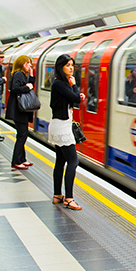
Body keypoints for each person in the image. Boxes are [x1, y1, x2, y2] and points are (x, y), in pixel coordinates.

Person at [48, 54, 86, 210]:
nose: (71, 68)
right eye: (68, 65)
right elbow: (75, 99)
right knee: (73, 161)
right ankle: (69, 198)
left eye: (72, 65)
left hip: (59, 124)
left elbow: (71, 99)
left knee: (60, 161)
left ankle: (58, 195)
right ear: (61, 67)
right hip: (62, 127)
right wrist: (75, 86)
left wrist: (75, 94)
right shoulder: (60, 84)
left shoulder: (60, 84)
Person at [6, 55, 37, 171]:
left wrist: (31, 77)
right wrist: (26, 87)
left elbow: (29, 85)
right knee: (22, 135)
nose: (30, 65)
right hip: (18, 110)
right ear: (23, 64)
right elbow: (14, 88)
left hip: (21, 110)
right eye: (28, 63)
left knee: (23, 134)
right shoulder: (18, 74)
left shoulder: (23, 75)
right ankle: (16, 161)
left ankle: (22, 159)